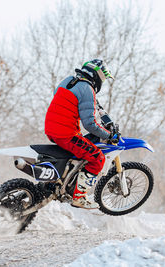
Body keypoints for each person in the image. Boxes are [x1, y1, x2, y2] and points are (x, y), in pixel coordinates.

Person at [44, 59, 114, 209]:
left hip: (51, 128)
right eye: (103, 78)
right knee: (97, 158)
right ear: (98, 76)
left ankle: (63, 181)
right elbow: (89, 124)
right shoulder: (87, 89)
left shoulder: (68, 80)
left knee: (80, 147)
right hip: (66, 134)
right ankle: (79, 197)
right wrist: (108, 135)